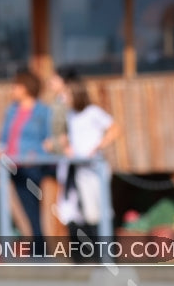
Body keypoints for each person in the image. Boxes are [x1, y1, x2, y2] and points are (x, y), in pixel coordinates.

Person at [56, 76, 120, 262]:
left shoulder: (93, 112)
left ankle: (108, 257)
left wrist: (98, 147)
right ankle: (92, 257)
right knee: (85, 213)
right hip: (78, 169)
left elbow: (114, 129)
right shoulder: (71, 116)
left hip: (94, 170)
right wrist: (66, 146)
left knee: (101, 211)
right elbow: (69, 138)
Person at [0, 70, 52, 252]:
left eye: (16, 86)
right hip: (13, 166)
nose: (13, 89)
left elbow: (48, 140)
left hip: (33, 166)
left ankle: (40, 248)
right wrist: (0, 151)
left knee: (35, 207)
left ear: (26, 87)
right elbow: (5, 137)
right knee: (21, 209)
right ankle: (34, 245)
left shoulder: (43, 111)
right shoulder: (12, 110)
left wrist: (36, 155)